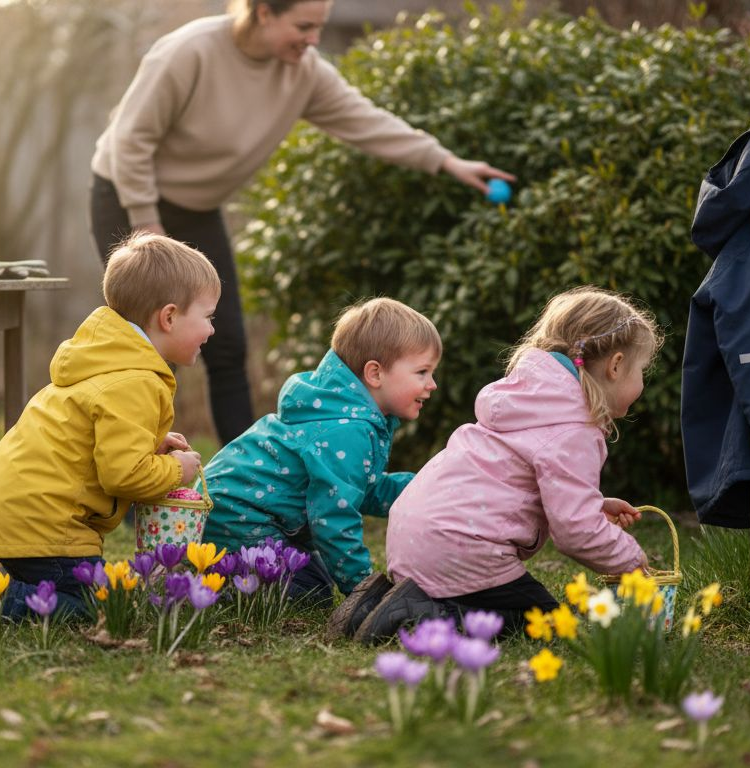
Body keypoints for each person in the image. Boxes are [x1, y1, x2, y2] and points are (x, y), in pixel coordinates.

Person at [89, 0, 513, 444]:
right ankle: (129, 464)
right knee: (149, 345)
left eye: (320, 27)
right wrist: (147, 227)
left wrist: (447, 162)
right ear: (264, 12)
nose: (314, 39)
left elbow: (367, 122)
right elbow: (130, 141)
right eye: (304, 26)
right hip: (126, 196)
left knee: (227, 344)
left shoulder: (303, 73)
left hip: (196, 209)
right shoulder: (187, 52)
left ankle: (243, 483)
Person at [0, 233, 219, 622]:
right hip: (49, 530)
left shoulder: (104, 360)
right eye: (208, 317)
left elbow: (91, 441)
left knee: (93, 591)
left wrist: (151, 444)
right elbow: (124, 475)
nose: (212, 330)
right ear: (168, 317)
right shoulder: (136, 381)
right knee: (97, 605)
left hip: (12, 517)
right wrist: (178, 470)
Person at [342, 287, 660, 643]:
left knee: (525, 613)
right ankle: (418, 615)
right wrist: (632, 562)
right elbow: (576, 531)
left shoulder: (526, 401)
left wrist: (594, 505)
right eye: (641, 370)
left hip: (416, 538)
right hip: (461, 549)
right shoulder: (573, 429)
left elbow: (515, 486)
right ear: (616, 365)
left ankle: (373, 606)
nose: (642, 382)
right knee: (542, 624)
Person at [201, 297, 441, 610]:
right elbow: (332, 517)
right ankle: (215, 586)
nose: (432, 384)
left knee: (315, 583)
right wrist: (363, 589)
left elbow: (361, 489)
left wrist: (425, 489)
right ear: (375, 374)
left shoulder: (351, 417)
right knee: (310, 595)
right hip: (237, 514)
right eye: (422, 372)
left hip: (237, 510)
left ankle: (216, 577)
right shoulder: (347, 430)